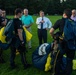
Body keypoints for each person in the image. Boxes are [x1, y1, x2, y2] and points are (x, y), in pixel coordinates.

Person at [50, 9, 75, 75]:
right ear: (70, 15)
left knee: (57, 59)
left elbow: (51, 31)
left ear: (64, 14)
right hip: (72, 45)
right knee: (69, 60)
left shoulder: (60, 21)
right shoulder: (73, 22)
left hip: (62, 44)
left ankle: (56, 72)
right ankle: (68, 73)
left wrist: (53, 36)